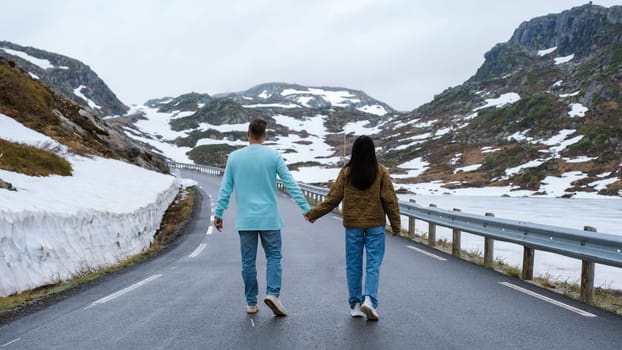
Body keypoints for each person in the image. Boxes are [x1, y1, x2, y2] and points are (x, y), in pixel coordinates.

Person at [214, 118, 311, 316]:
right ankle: (273, 294)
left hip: (246, 220)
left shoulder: (234, 158)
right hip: (269, 219)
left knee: (248, 262)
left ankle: (251, 303)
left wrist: (219, 213)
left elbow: (225, 189)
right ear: (264, 135)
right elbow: (290, 183)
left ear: (248, 134)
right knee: (273, 257)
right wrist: (305, 208)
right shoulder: (273, 156)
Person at [305, 135, 400, 321]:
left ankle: (355, 305)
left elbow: (333, 197)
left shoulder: (347, 173)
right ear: (372, 152)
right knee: (373, 264)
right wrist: (396, 225)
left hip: (352, 225)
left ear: (354, 151)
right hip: (375, 224)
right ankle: (369, 300)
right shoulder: (381, 172)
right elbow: (390, 200)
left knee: (353, 264)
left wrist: (314, 214)